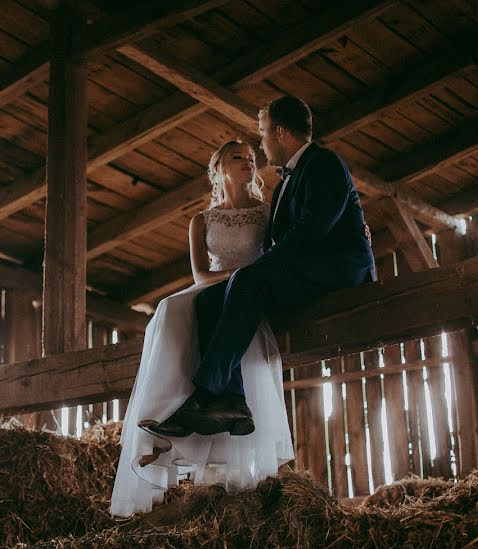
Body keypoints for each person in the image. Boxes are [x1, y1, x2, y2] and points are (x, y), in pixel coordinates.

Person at [149, 95, 376, 440]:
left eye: (263, 133)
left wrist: (258, 268)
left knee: (247, 281)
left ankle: (205, 395)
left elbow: (312, 230)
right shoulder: (286, 180)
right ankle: (233, 400)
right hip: (306, 274)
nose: (261, 143)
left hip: (336, 274)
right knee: (209, 300)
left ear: (281, 132)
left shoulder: (324, 163)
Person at [110, 140, 294, 518]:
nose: (247, 163)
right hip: (216, 287)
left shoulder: (266, 213)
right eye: (237, 158)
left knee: (210, 302)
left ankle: (212, 398)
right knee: (170, 307)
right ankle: (169, 408)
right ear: (219, 169)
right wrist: (235, 276)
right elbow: (200, 275)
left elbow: (279, 256)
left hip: (251, 296)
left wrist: (244, 279)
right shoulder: (201, 220)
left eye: (251, 158)